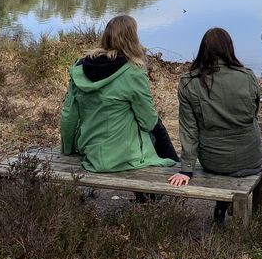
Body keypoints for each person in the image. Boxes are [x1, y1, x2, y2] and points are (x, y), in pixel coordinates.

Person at [60, 14, 179, 174]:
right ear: (132, 39)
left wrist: (67, 150)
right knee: (157, 127)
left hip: (91, 148)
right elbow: (148, 122)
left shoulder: (80, 67)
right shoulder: (133, 72)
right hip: (123, 154)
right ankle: (174, 173)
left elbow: (68, 115)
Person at [167, 27, 262, 223]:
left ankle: (221, 206)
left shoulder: (189, 82)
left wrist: (186, 168)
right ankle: (224, 208)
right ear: (229, 49)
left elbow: (189, 129)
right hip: (252, 158)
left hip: (214, 161)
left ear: (203, 49)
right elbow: (254, 113)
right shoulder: (248, 76)